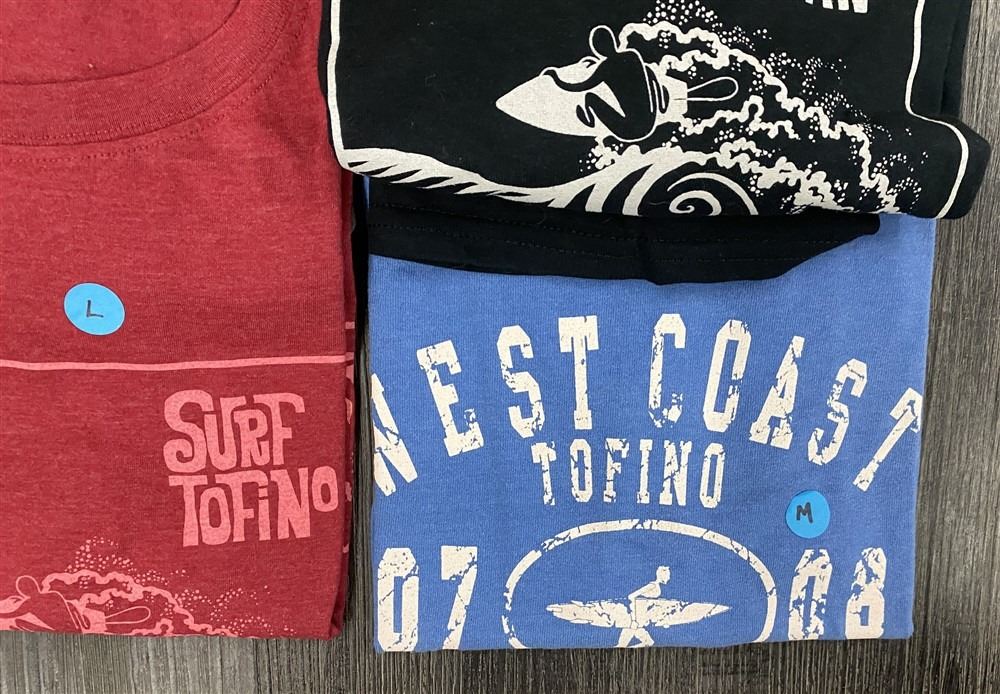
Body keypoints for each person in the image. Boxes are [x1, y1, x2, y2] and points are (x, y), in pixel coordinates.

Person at [543, 25, 666, 142]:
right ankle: (662, 106)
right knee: (648, 73)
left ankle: (590, 122)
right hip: (650, 123)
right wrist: (660, 104)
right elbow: (650, 76)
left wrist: (555, 78)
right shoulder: (632, 56)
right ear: (612, 41)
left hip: (629, 131)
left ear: (598, 50)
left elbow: (579, 87)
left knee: (590, 98)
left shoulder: (606, 68)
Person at [0, 576, 90, 632]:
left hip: (58, 632)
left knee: (18, 622)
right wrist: (83, 624)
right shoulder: (54, 594)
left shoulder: (29, 604)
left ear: (23, 592)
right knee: (70, 604)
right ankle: (83, 625)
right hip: (76, 629)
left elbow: (10, 614)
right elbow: (71, 606)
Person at [618, 566, 672, 647]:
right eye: (668, 575)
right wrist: (633, 620)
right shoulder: (652, 586)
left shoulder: (657, 586)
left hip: (640, 621)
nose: (669, 577)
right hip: (634, 622)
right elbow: (631, 596)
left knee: (648, 643)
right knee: (622, 646)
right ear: (662, 575)